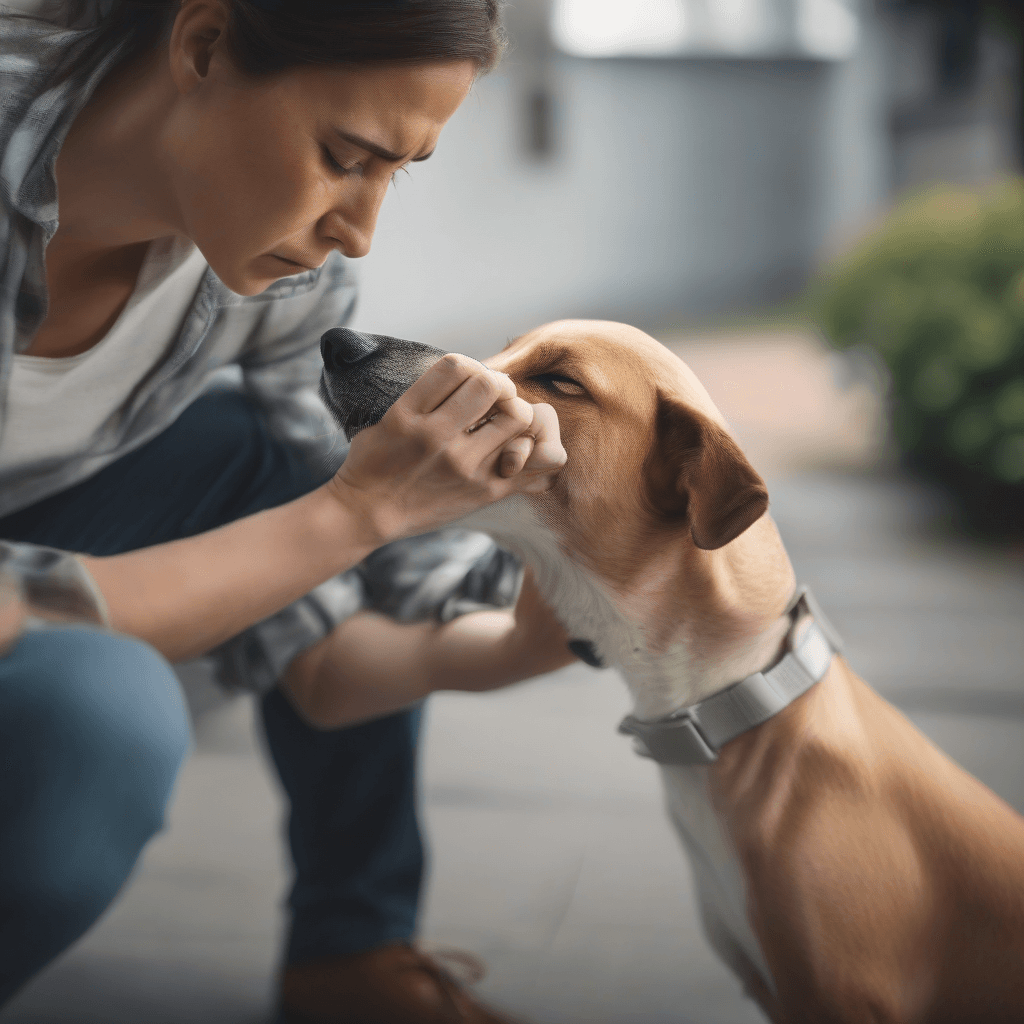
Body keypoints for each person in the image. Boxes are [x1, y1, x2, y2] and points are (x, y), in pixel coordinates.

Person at [0, 2, 576, 1021]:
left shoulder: (275, 282)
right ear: (203, 44)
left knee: (263, 451)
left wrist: (539, 626)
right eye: (345, 157)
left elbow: (334, 652)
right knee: (105, 716)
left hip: (48, 524)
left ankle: (352, 952)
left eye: (398, 173)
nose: (359, 231)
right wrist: (356, 512)